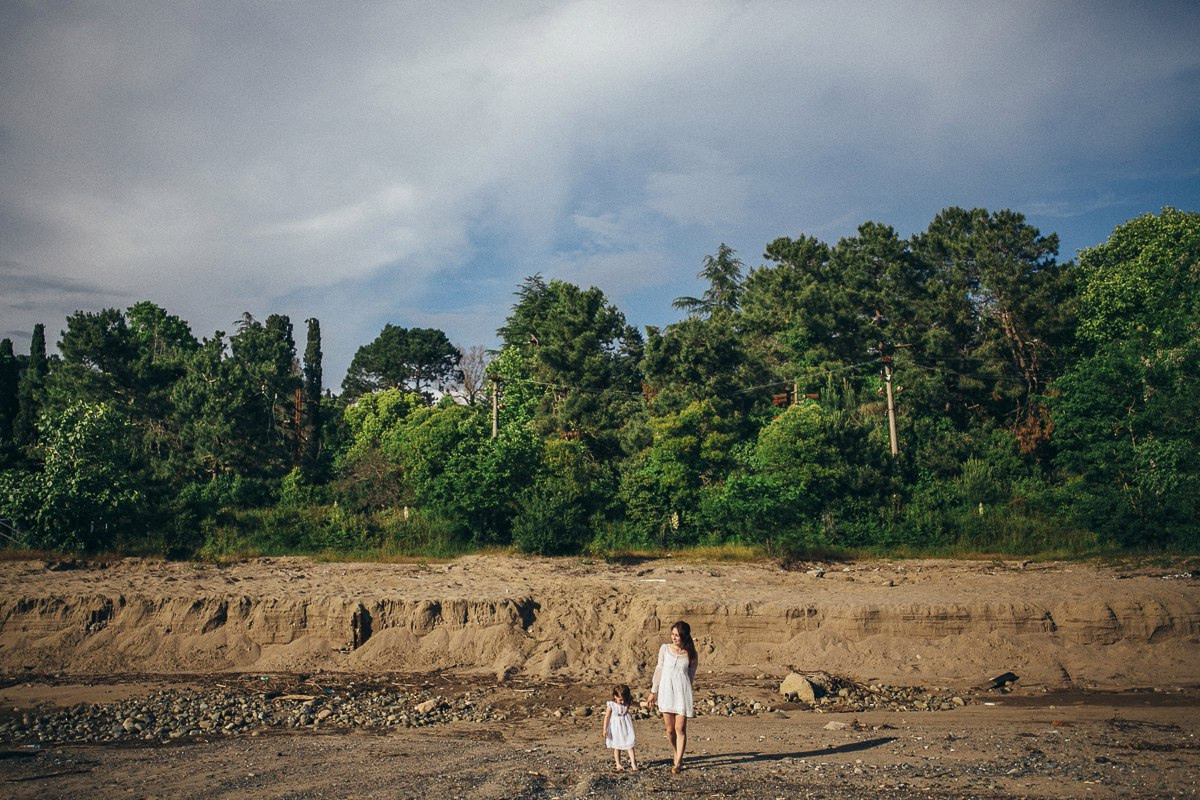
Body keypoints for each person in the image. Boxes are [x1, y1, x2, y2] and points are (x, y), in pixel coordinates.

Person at [646, 620, 697, 774]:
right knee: (669, 730)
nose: (674, 638)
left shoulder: (691, 654)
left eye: (678, 635)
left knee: (680, 728)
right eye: (673, 634)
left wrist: (686, 691)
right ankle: (675, 751)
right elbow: (659, 669)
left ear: (685, 637)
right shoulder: (664, 649)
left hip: (682, 693)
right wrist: (653, 691)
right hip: (666, 692)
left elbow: (690, 676)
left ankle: (679, 761)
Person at [602, 684, 638, 772]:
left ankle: (633, 763)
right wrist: (605, 729)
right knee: (616, 745)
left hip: (626, 725)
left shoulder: (627, 702)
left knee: (630, 743)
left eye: (624, 700)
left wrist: (647, 703)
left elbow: (638, 704)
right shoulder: (611, 705)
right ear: (615, 696)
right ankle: (618, 764)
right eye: (620, 700)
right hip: (615, 726)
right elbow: (607, 717)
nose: (622, 702)